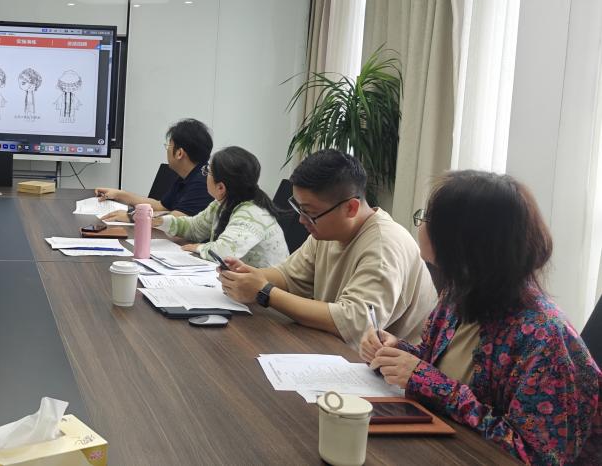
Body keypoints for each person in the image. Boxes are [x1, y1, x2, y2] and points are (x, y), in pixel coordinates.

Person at [361, 171, 601, 464]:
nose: (421, 225)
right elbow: (442, 366)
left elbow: (534, 455)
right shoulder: (458, 295)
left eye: (428, 218)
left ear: (466, 243)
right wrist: (398, 352)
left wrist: (431, 383)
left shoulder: (546, 340)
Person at [218, 149, 437, 347]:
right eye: (299, 208)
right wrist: (248, 276)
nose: (302, 220)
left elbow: (354, 323)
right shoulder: (326, 231)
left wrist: (265, 292)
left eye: (309, 212)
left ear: (350, 208)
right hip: (336, 349)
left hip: (391, 368)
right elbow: (289, 276)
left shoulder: (384, 246)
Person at [153, 146, 287, 268]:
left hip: (266, 284)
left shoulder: (252, 213)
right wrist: (160, 221)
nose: (205, 174)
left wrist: (199, 248)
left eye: (207, 171)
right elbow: (194, 228)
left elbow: (224, 253)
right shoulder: (222, 203)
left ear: (221, 187)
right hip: (241, 279)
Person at [95, 118, 214, 218]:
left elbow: (176, 220)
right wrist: (119, 194)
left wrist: (131, 217)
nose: (167, 150)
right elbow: (161, 206)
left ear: (179, 153)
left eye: (169, 146)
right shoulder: (189, 175)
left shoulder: (203, 182)